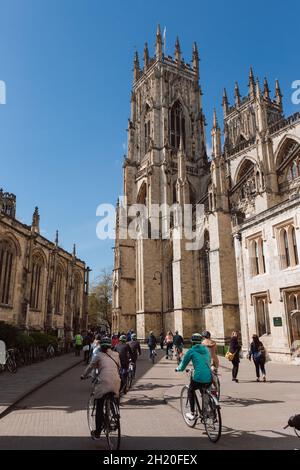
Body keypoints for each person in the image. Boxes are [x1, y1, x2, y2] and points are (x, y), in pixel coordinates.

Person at [81, 336, 121, 440]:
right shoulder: (116, 354)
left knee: (99, 405)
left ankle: (98, 432)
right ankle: (116, 415)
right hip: (116, 382)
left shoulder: (98, 355)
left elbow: (90, 367)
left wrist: (83, 375)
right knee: (115, 396)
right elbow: (119, 366)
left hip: (104, 382)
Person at [176, 333, 212, 421]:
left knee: (191, 390)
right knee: (205, 391)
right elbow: (208, 361)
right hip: (209, 376)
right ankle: (209, 410)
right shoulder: (206, 350)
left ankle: (192, 413)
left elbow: (183, 364)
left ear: (192, 342)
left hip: (199, 377)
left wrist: (178, 369)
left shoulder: (191, 351)